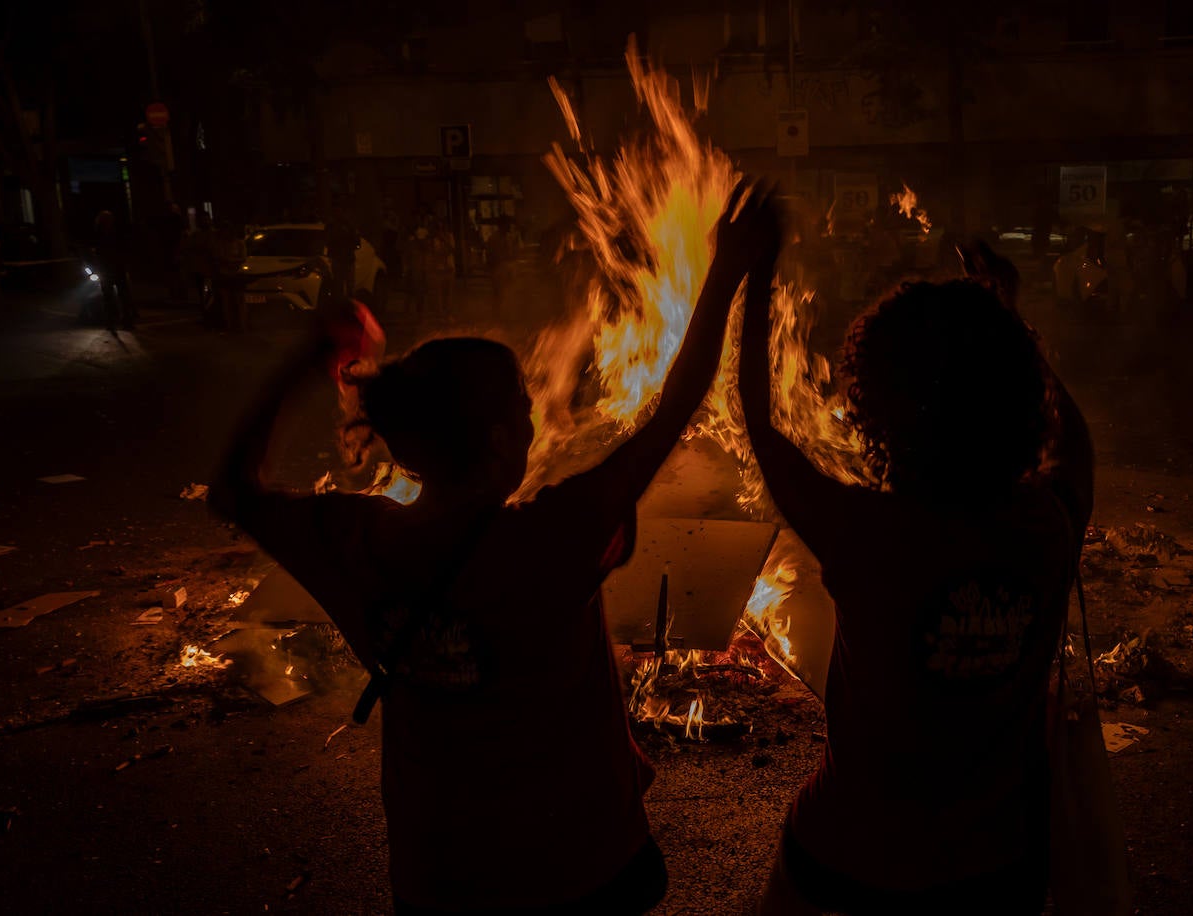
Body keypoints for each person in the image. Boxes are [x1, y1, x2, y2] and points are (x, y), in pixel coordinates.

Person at [207, 178, 781, 914]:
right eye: (522, 402)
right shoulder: (549, 538)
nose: (535, 411)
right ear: (502, 440)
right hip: (582, 867)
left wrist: (306, 359)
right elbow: (678, 403)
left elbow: (233, 488)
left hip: (444, 875)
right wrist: (731, 267)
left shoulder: (354, 540)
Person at [741, 235, 1094, 915]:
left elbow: (759, 422)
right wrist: (1011, 328)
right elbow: (1074, 445)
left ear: (878, 409)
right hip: (998, 869)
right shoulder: (1047, 525)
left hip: (847, 861)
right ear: (1019, 397)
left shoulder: (866, 530)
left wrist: (753, 278)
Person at [93, 210, 136, 331]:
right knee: (116, 296)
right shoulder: (109, 234)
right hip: (112, 268)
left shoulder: (106, 234)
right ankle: (118, 321)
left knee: (114, 296)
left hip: (112, 268)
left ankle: (117, 321)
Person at [212, 221, 248, 332]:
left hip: (236, 275)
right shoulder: (221, 244)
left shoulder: (240, 243)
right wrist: (228, 261)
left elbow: (243, 258)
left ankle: (242, 325)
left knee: (239, 301)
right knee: (226, 302)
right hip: (225, 275)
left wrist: (231, 261)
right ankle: (229, 325)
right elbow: (219, 257)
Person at [326, 207, 359, 302]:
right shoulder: (332, 226)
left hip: (346, 259)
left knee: (346, 285)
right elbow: (328, 241)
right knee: (340, 284)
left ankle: (348, 305)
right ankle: (343, 305)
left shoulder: (348, 226)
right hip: (340, 259)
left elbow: (356, 242)